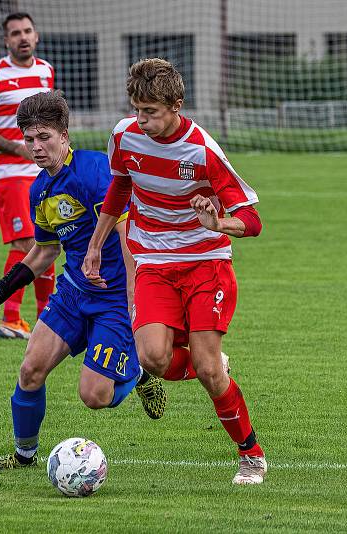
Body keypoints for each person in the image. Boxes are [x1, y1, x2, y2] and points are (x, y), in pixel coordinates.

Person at [82, 58, 267, 485]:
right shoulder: (124, 136)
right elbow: (120, 186)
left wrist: (218, 223)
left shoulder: (202, 150)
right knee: (152, 357)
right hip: (152, 261)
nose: (141, 119)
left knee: (206, 371)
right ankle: (214, 365)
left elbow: (253, 222)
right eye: (137, 109)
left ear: (176, 106)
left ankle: (251, 455)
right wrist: (96, 246)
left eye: (151, 112)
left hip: (206, 264)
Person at [0, 91, 167, 471]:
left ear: (65, 135)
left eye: (44, 137)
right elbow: (44, 252)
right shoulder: (40, 190)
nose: (36, 147)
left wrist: (135, 299)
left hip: (115, 298)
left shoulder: (95, 173)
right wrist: (2, 287)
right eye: (29, 139)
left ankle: (140, 373)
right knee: (31, 370)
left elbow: (127, 236)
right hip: (74, 294)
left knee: (94, 395)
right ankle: (23, 456)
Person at [0, 12, 56, 340]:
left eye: (27, 31)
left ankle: (45, 321)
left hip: (44, 171)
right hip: (10, 172)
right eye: (15, 33)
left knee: (48, 241)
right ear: (6, 40)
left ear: (36, 36)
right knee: (27, 242)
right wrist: (16, 148)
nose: (22, 37)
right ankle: (9, 317)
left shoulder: (46, 71)